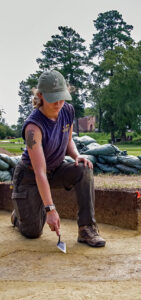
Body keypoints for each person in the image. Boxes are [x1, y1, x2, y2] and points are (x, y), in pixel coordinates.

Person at [11, 70, 106, 247]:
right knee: (33, 232)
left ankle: (87, 229)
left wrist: (77, 156)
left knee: (83, 169)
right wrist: (51, 210)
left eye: (62, 97)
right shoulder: (33, 127)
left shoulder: (67, 110)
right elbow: (39, 172)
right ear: (40, 96)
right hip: (30, 177)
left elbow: (68, 140)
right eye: (53, 98)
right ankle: (20, 215)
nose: (59, 103)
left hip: (55, 169)